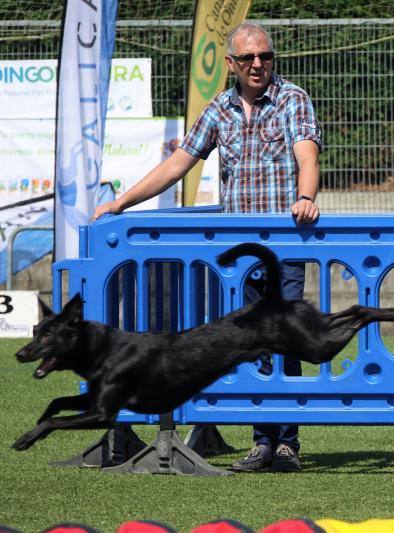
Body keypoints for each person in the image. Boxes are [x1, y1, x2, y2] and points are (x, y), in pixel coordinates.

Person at [93, 21, 323, 473]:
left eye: (266, 57)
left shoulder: (293, 99)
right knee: (251, 343)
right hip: (238, 254)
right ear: (232, 64)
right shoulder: (220, 108)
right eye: (249, 58)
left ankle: (286, 443)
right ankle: (261, 441)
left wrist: (306, 197)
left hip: (284, 247)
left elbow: (307, 157)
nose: (259, 65)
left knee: (286, 341)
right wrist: (120, 202)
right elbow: (178, 163)